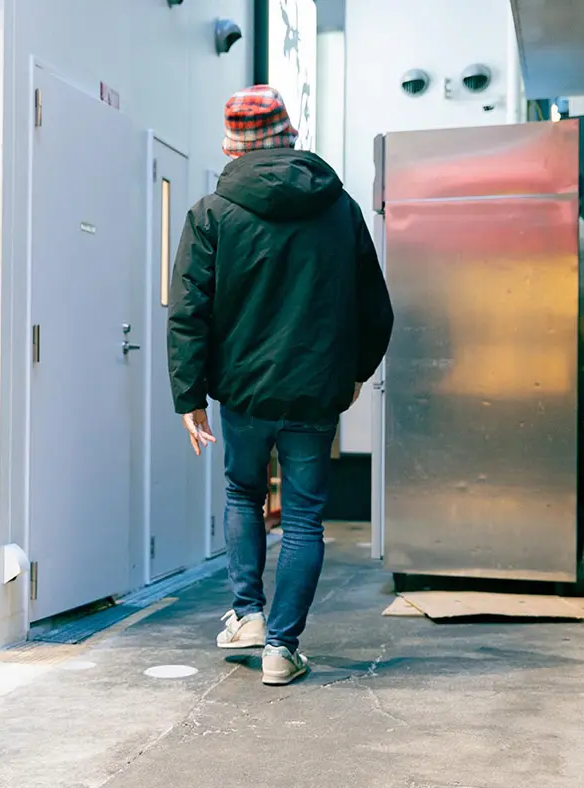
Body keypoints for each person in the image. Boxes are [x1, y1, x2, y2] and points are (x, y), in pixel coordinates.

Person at [167, 85, 394, 686]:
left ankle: (246, 614)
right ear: (289, 135)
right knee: (303, 520)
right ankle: (280, 648)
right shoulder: (338, 206)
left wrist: (189, 396)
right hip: (315, 392)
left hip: (242, 392)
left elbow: (188, 310)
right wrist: (352, 374)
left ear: (233, 145)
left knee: (243, 495)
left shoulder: (212, 211)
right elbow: (377, 308)